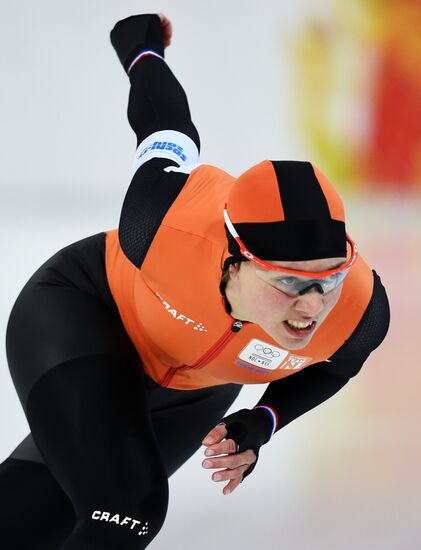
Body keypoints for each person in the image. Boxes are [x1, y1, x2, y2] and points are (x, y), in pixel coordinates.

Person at [0, 13, 390, 550]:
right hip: (85, 315)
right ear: (234, 260)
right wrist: (140, 47)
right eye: (288, 283)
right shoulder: (160, 224)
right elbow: (166, 129)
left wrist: (264, 419)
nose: (313, 305)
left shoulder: (361, 312)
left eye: (330, 279)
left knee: (31, 519)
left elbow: (338, 367)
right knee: (126, 510)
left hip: (192, 390)